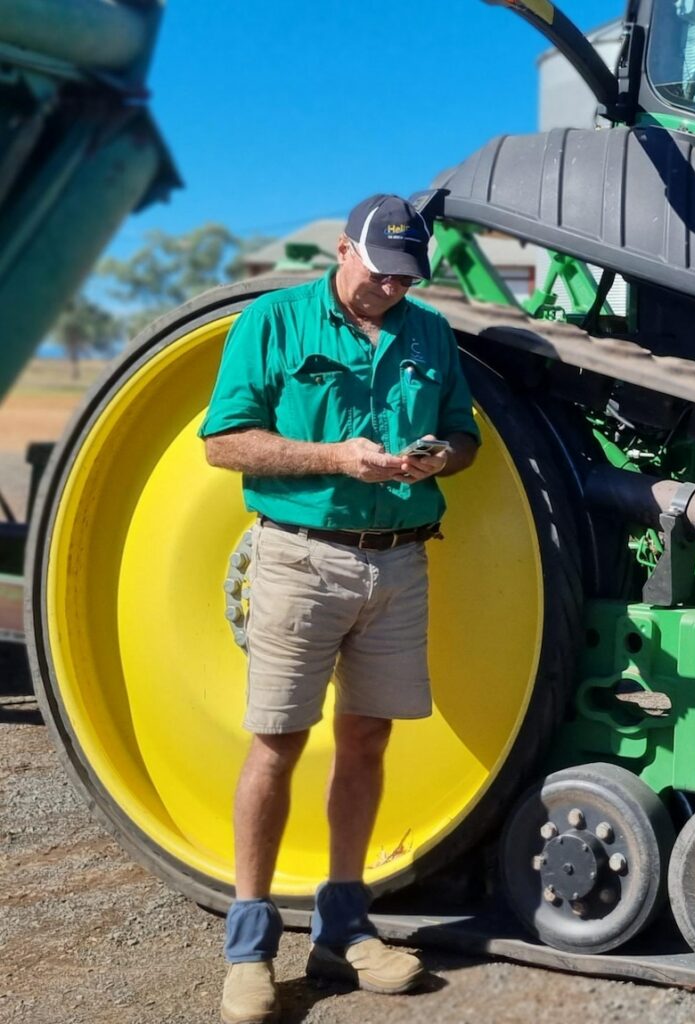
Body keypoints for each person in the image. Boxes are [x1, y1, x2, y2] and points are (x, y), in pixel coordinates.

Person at [199, 193, 480, 1024]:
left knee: (366, 740)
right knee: (279, 743)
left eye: (405, 279)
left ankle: (344, 931)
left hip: (398, 565)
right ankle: (250, 947)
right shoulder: (275, 322)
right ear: (345, 252)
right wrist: (333, 457)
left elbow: (465, 435)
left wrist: (436, 460)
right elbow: (224, 442)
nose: (391, 290)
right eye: (381, 273)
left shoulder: (429, 333)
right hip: (300, 560)